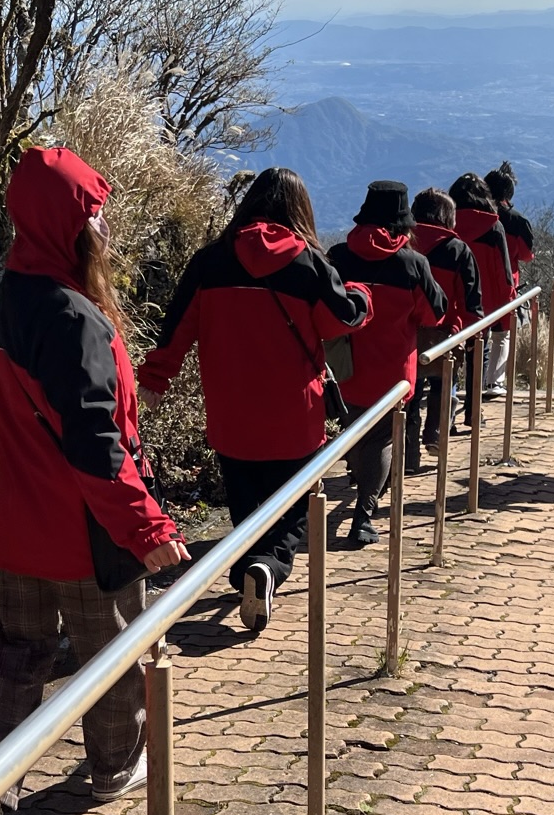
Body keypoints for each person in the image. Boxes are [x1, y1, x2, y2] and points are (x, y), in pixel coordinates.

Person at [0, 148, 190, 815]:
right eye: (97, 215)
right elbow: (98, 446)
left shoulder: (14, 297)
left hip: (20, 526)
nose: (107, 229)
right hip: (87, 535)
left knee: (16, 662)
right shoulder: (75, 320)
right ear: (74, 226)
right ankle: (113, 768)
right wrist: (147, 526)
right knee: (116, 657)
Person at [139, 167, 370, 631]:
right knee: (294, 508)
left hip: (231, 414)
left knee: (245, 504)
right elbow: (341, 320)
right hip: (294, 416)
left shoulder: (209, 263)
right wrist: (362, 295)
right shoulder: (308, 265)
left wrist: (155, 381)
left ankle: (250, 567)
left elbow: (175, 330)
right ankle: (266, 568)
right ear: (299, 211)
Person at [325, 181, 445, 546]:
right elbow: (433, 314)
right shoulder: (413, 264)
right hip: (393, 373)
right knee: (380, 439)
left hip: (343, 369)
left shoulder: (338, 256)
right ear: (404, 225)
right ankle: (364, 516)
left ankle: (360, 484)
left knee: (355, 433)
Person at [406, 188, 481, 474]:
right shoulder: (459, 250)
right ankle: (436, 432)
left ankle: (408, 457)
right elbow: (471, 301)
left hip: (408, 334)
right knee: (442, 383)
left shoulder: (403, 245)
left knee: (409, 397)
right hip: (445, 334)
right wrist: (471, 333)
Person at [448, 173, 513, 408]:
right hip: (484, 303)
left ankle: (447, 411)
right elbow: (503, 271)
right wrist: (507, 301)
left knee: (450, 355)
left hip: (451, 299)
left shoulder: (447, 223)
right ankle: (473, 411)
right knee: (479, 353)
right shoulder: (494, 226)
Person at [488, 162, 535, 395]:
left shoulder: (466, 215)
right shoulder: (517, 221)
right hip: (504, 281)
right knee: (501, 334)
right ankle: (493, 382)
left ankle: (467, 379)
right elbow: (527, 255)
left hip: (471, 279)